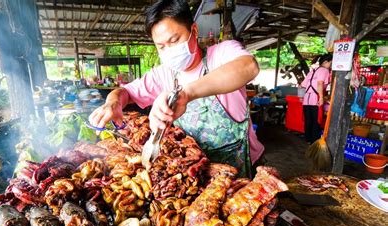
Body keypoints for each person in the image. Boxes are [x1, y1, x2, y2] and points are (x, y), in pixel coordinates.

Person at [89, 0, 263, 177]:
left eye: (174, 40)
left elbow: (249, 67)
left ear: (193, 31)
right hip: (195, 173)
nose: (169, 50)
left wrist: (186, 94)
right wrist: (113, 103)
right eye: (161, 46)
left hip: (243, 171)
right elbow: (125, 92)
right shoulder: (163, 74)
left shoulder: (222, 53)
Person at [300, 53, 332, 144]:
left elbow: (302, 85)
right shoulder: (324, 70)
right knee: (316, 121)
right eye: (330, 63)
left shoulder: (313, 70)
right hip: (315, 98)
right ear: (326, 62)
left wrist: (302, 97)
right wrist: (321, 97)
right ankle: (314, 142)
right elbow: (320, 83)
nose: (330, 65)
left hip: (306, 99)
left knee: (308, 120)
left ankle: (308, 140)